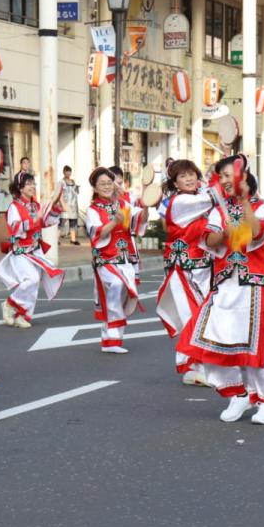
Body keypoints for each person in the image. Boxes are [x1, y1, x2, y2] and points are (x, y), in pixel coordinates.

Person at [177, 155, 264, 425]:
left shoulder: (262, 207)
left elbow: (255, 232)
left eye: (230, 176)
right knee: (206, 341)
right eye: (222, 177)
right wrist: (226, 230)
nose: (225, 181)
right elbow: (209, 238)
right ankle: (237, 393)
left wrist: (242, 203)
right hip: (224, 285)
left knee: (254, 348)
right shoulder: (219, 210)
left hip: (252, 286)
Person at [155, 159, 217, 385]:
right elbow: (214, 197)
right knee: (196, 316)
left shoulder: (194, 199)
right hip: (183, 269)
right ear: (175, 183)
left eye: (192, 173)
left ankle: (197, 366)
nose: (189, 178)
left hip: (202, 267)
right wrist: (230, 177)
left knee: (201, 315)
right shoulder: (181, 201)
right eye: (182, 176)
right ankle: (194, 367)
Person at [85, 166, 148, 354]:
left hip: (125, 258)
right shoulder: (92, 210)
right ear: (95, 188)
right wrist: (114, 221)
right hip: (106, 259)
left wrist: (147, 205)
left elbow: (139, 220)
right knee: (116, 286)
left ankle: (109, 333)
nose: (106, 186)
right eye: (102, 184)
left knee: (124, 294)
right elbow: (96, 234)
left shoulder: (123, 204)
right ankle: (112, 339)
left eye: (109, 183)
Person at [0, 171, 64, 328]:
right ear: (20, 187)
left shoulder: (35, 205)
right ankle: (9, 304)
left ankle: (22, 315)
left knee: (34, 285)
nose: (32, 186)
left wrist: (55, 208)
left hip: (35, 251)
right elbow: (15, 228)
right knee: (31, 279)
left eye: (33, 183)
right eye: (28, 184)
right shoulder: (14, 206)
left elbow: (46, 222)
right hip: (20, 251)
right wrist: (35, 220)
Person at [59, 166, 81, 245]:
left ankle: (73, 239)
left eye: (69, 171)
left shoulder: (73, 181)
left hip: (73, 205)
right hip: (65, 204)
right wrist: (62, 204)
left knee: (73, 223)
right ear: (64, 172)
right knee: (62, 222)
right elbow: (59, 193)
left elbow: (76, 192)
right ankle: (56, 239)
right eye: (67, 171)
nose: (68, 173)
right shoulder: (61, 182)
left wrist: (77, 189)